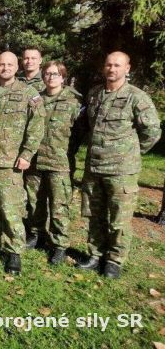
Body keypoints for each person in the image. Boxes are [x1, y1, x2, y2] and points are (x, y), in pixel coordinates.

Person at [77, 52, 161, 278]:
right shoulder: (94, 94)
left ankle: (114, 260)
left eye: (117, 65)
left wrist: (130, 153)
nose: (112, 69)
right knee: (93, 214)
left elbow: (152, 131)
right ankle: (95, 254)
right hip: (94, 167)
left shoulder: (136, 97)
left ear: (127, 68)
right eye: (109, 65)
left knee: (119, 219)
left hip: (121, 171)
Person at [0, 51, 45, 275]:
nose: (5, 68)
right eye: (1, 64)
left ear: (17, 67)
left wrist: (27, 154)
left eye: (9, 64)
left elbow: (37, 126)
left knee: (11, 207)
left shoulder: (28, 93)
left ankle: (14, 251)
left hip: (10, 161)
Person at [23, 61, 82, 264]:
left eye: (55, 74)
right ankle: (36, 235)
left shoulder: (73, 101)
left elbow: (80, 132)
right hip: (35, 160)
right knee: (34, 202)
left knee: (59, 205)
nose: (51, 77)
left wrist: (68, 151)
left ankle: (59, 245)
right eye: (47, 74)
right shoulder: (36, 99)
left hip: (59, 162)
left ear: (63, 77)